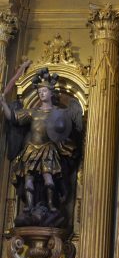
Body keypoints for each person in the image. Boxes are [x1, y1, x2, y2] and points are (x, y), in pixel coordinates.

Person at [0, 67, 80, 216]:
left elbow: (69, 130)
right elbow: (13, 117)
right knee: (28, 181)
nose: (41, 94)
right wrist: (3, 103)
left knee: (49, 180)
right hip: (31, 149)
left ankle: (51, 206)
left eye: (44, 91)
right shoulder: (32, 112)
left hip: (48, 149)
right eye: (39, 92)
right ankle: (29, 207)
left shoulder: (59, 113)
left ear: (51, 92)